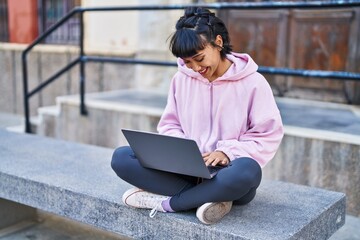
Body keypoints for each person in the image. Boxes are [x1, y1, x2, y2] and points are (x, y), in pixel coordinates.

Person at [111, 7, 284, 225]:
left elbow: (266, 135)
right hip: (185, 170)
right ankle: (212, 199)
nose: (194, 68)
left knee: (247, 171)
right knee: (122, 157)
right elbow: (170, 124)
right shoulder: (181, 80)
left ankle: (168, 204)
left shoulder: (253, 83)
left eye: (198, 58)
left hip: (227, 174)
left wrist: (227, 152)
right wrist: (183, 150)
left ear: (218, 42)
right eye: (186, 62)